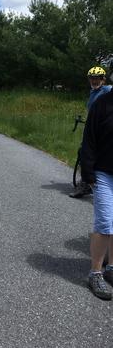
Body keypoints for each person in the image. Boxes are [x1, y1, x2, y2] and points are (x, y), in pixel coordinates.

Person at [81, 86, 113, 299]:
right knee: (104, 224)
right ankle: (95, 272)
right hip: (103, 173)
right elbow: (89, 140)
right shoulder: (102, 104)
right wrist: (89, 175)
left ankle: (111, 268)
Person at [70, 66, 112, 198]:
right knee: (83, 152)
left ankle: (86, 184)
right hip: (92, 127)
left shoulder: (107, 90)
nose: (94, 81)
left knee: (86, 152)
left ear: (103, 79)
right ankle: (87, 181)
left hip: (103, 131)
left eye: (97, 78)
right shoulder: (93, 92)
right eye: (92, 78)